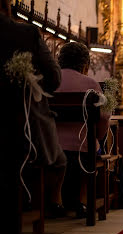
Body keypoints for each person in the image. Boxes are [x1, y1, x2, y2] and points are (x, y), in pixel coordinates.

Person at [0, 0, 66, 219]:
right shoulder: (26, 33)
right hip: (23, 128)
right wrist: (34, 88)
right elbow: (54, 77)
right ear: (7, 6)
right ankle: (42, 205)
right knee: (57, 160)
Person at [55, 42, 111, 217]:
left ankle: (55, 201)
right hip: (83, 148)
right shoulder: (90, 83)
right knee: (96, 151)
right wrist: (98, 138)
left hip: (51, 147)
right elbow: (103, 117)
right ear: (85, 64)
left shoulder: (50, 81)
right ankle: (81, 201)